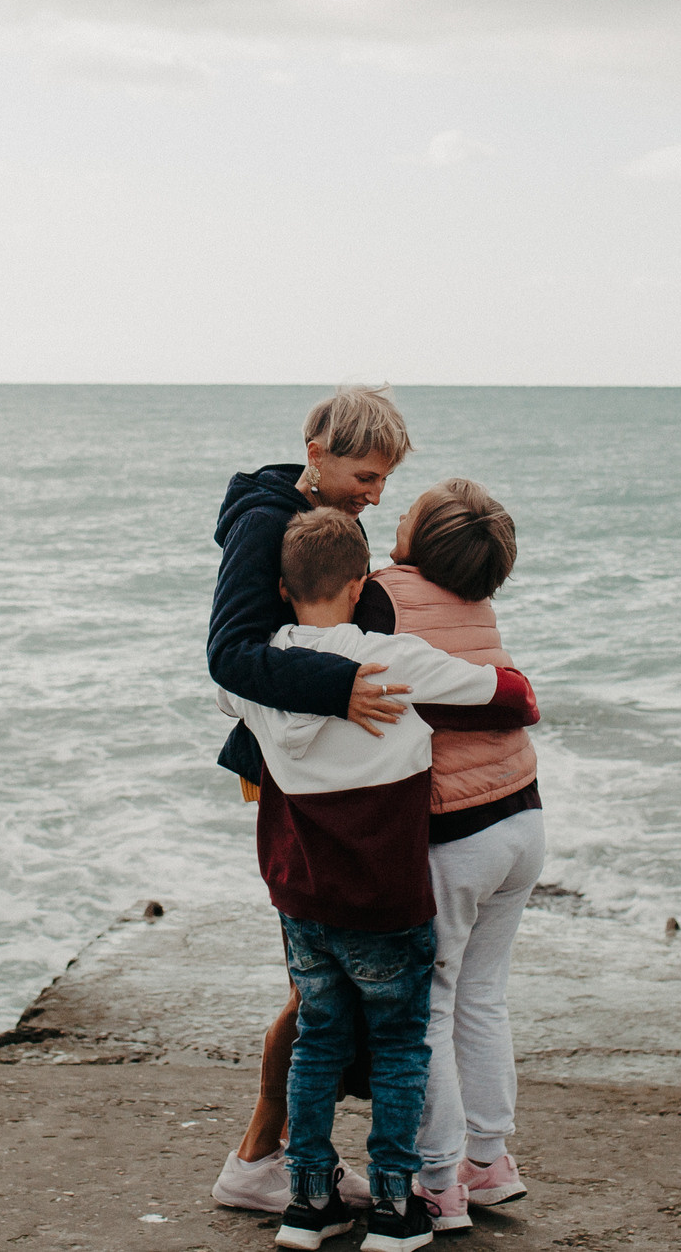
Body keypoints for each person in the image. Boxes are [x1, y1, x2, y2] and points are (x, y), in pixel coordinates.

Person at [217, 508, 537, 1251]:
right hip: (388, 903)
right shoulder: (393, 658)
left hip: (305, 901)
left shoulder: (259, 669)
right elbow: (503, 691)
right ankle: (395, 1208)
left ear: (279, 586)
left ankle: (306, 1203)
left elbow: (228, 692)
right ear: (361, 583)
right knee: (399, 1047)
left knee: (318, 1042)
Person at [369, 479, 542, 1230]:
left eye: (406, 511)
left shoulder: (385, 595)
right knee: (483, 996)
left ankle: (439, 1181)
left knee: (428, 1009)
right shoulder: (477, 599)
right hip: (524, 819)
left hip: (457, 829)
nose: (394, 513)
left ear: (423, 538)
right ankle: (491, 1157)